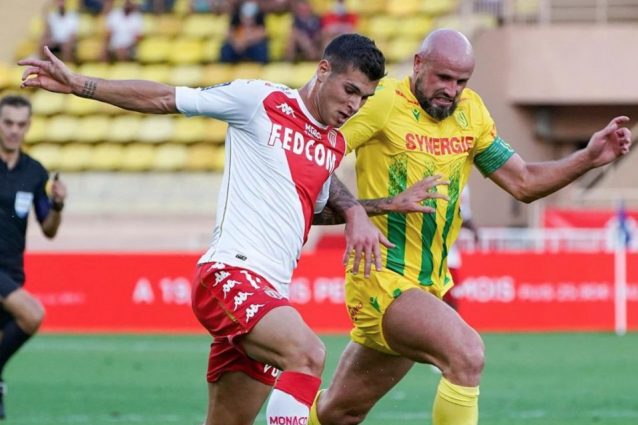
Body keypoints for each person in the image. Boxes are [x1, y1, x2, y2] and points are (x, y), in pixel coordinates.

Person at [19, 33, 392, 425]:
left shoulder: (332, 145)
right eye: (350, 90)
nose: (354, 106)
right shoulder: (260, 100)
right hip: (230, 273)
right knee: (307, 354)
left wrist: (380, 206)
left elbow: (310, 212)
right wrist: (80, 84)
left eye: (364, 98)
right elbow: (166, 98)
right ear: (323, 70)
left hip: (271, 294)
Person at [308, 29, 633, 425]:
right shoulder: (383, 102)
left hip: (427, 285)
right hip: (382, 278)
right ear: (418, 64)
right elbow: (315, 157)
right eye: (443, 78)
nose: (452, 90)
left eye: (461, 81)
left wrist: (588, 158)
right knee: (466, 353)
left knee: (340, 412)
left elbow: (524, 182)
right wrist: (356, 213)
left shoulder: (471, 113)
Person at [0, 95, 67, 419]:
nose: (14, 130)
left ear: (28, 126)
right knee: (32, 314)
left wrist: (57, 205)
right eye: (8, 123)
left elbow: (48, 229)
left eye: (21, 124)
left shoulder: (34, 172)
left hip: (12, 271)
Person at [444, 186, 479, 311]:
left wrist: (474, 231)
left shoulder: (462, 186)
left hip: (450, 256)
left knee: (451, 298)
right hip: (432, 255)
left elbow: (464, 214)